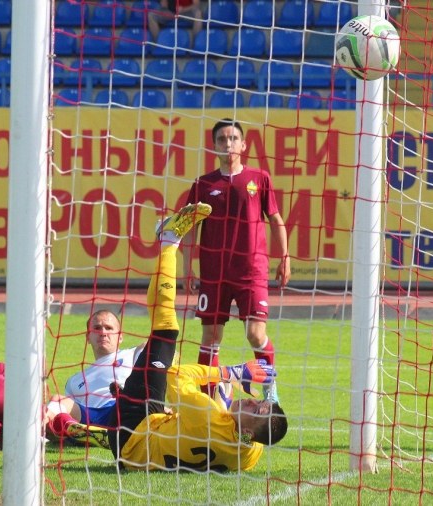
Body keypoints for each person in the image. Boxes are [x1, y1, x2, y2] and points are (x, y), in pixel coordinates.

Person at [107, 202, 288, 471]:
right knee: (218, 391)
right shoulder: (250, 454)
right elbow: (236, 429)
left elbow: (175, 375)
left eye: (253, 409)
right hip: (150, 441)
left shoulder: (210, 418)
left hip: (129, 432)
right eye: (259, 401)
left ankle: (168, 238)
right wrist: (227, 399)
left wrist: (231, 372)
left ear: (248, 432)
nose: (251, 400)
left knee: (166, 332)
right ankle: (126, 394)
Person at [183, 118, 291, 403]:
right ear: (214, 146)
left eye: (233, 138)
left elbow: (276, 219)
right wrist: (187, 268)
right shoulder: (203, 184)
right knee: (210, 338)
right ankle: (208, 399)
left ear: (243, 145)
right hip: (213, 272)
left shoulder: (259, 178)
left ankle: (269, 389)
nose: (227, 143)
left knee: (256, 335)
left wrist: (285, 258)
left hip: (251, 271)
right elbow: (189, 227)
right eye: (221, 139)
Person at [43, 309, 146, 449]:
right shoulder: (75, 380)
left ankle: (81, 434)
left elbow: (158, 363)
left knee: (126, 396)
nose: (103, 333)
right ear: (88, 337)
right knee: (58, 402)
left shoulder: (132, 355)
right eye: (97, 328)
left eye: (109, 328)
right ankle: (39, 433)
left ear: (120, 336)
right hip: (92, 419)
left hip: (123, 409)